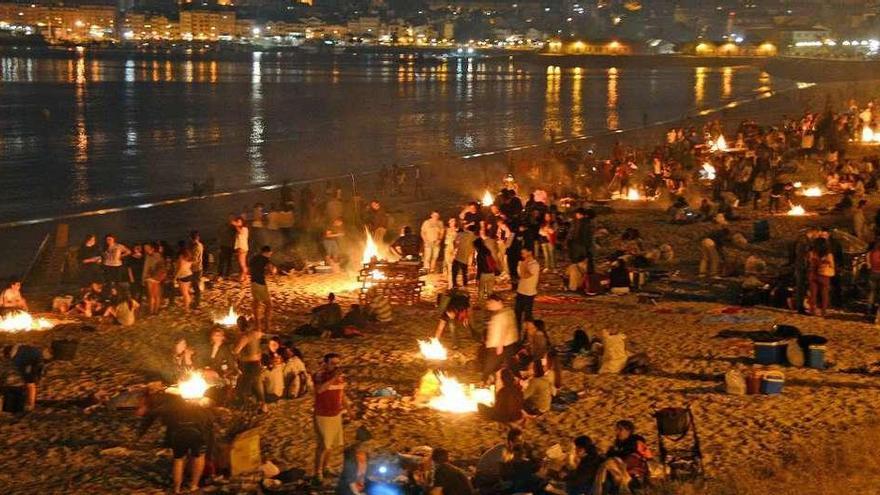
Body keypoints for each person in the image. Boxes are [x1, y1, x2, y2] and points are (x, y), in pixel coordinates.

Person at [137, 392, 215, 494]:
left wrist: (145, 412)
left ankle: (177, 489)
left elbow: (156, 412)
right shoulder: (202, 403)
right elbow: (210, 420)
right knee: (199, 457)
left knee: (178, 459)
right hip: (197, 433)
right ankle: (194, 486)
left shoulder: (173, 403)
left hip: (178, 433)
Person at [313, 353, 348, 484]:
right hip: (322, 414)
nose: (336, 365)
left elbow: (341, 394)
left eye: (337, 363)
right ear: (325, 363)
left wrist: (349, 410)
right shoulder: (319, 375)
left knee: (331, 445)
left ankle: (326, 467)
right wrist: (334, 378)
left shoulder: (341, 377)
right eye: (333, 363)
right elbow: (320, 390)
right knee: (323, 445)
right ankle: (318, 472)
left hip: (336, 414)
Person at [596, 420, 652, 493]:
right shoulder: (619, 443)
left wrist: (614, 454)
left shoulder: (635, 443)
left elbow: (629, 457)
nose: (617, 432)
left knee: (608, 465)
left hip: (634, 471)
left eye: (620, 429)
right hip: (621, 471)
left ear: (628, 431)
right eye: (617, 429)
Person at [483, 295, 519, 382]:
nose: (488, 305)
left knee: (490, 366)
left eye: (490, 303)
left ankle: (484, 381)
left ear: (498, 302)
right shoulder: (506, 312)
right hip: (504, 344)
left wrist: (500, 345)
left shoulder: (503, 314)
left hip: (499, 346)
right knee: (510, 364)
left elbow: (504, 329)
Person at [234, 318, 267, 413]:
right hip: (257, 363)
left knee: (244, 386)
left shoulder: (245, 336)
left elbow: (236, 350)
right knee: (257, 385)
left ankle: (245, 407)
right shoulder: (256, 333)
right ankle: (263, 406)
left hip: (249, 364)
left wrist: (235, 352)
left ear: (239, 325)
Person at [2, 344, 45, 411]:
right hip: (38, 359)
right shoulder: (21, 348)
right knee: (30, 383)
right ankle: (29, 402)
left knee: (30, 384)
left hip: (33, 363)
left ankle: (30, 405)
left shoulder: (17, 358)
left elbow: (22, 367)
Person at [249, 246, 275, 333]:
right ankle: (267, 326)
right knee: (269, 305)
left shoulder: (253, 258)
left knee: (256, 303)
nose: (270, 255)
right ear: (267, 252)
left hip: (253, 282)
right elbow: (271, 270)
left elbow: (251, 268)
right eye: (270, 254)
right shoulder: (265, 259)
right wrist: (273, 270)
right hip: (260, 283)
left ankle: (257, 326)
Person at [808, 237, 834, 317]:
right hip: (824, 275)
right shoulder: (828, 254)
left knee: (813, 294)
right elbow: (832, 265)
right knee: (824, 294)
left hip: (813, 274)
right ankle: (823, 311)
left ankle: (812, 310)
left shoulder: (812, 253)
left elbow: (809, 262)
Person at [515, 247, 540, 330]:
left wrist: (523, 264)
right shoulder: (521, 263)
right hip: (520, 291)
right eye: (521, 253)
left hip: (529, 293)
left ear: (530, 252)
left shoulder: (535, 265)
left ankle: (528, 334)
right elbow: (521, 275)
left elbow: (525, 275)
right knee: (517, 313)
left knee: (527, 315)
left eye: (524, 253)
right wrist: (523, 264)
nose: (522, 255)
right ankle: (518, 332)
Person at [142, 242, 166, 315]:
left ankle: (152, 311)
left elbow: (146, 268)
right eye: (145, 248)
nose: (146, 249)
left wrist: (143, 278)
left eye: (147, 248)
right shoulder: (157, 255)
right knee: (155, 295)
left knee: (152, 296)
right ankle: (155, 311)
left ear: (152, 248)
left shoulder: (151, 256)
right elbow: (162, 267)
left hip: (152, 277)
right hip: (156, 277)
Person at [474, 237, 498, 302]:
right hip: (492, 273)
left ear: (477, 246)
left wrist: (477, 278)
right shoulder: (488, 251)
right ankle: (490, 304)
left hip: (484, 274)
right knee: (490, 292)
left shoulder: (479, 255)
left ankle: (480, 305)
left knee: (481, 291)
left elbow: (479, 268)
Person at [175, 246, 194, 313]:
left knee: (185, 293)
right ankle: (187, 306)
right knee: (187, 292)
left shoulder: (181, 257)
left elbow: (180, 268)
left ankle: (186, 308)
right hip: (189, 275)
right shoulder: (190, 258)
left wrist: (175, 277)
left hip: (182, 276)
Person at [189, 231, 204, 308]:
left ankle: (197, 303)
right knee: (196, 285)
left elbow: (194, 259)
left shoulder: (196, 246)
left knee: (196, 286)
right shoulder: (200, 245)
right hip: (199, 268)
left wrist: (187, 263)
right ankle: (196, 302)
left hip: (196, 269)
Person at [443, 218, 459, 285]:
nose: (451, 222)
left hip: (454, 248)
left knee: (453, 266)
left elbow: (458, 240)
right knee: (449, 265)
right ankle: (450, 283)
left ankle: (453, 282)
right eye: (450, 221)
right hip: (448, 248)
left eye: (453, 221)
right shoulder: (446, 230)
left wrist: (456, 249)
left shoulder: (457, 230)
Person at [233, 217, 250, 282]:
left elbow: (240, 231)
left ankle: (243, 277)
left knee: (242, 263)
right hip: (242, 247)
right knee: (243, 263)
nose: (237, 223)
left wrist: (235, 225)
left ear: (242, 223)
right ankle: (245, 277)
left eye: (239, 222)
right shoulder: (243, 229)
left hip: (242, 248)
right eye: (237, 221)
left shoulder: (244, 228)